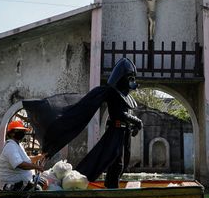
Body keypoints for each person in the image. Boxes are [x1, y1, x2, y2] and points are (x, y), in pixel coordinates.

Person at [23, 57, 142, 188]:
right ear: (122, 77)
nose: (132, 81)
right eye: (129, 77)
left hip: (124, 132)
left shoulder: (125, 96)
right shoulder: (112, 93)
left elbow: (126, 113)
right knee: (115, 162)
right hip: (116, 131)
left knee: (122, 163)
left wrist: (133, 126)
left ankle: (111, 186)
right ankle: (111, 187)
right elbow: (119, 114)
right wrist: (137, 122)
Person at [0, 120, 46, 191]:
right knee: (38, 189)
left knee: (44, 182)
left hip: (22, 181)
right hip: (10, 184)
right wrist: (37, 167)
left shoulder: (18, 145)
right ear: (11, 133)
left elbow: (26, 160)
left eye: (23, 131)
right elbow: (20, 164)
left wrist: (40, 156)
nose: (23, 133)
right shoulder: (10, 146)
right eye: (19, 131)